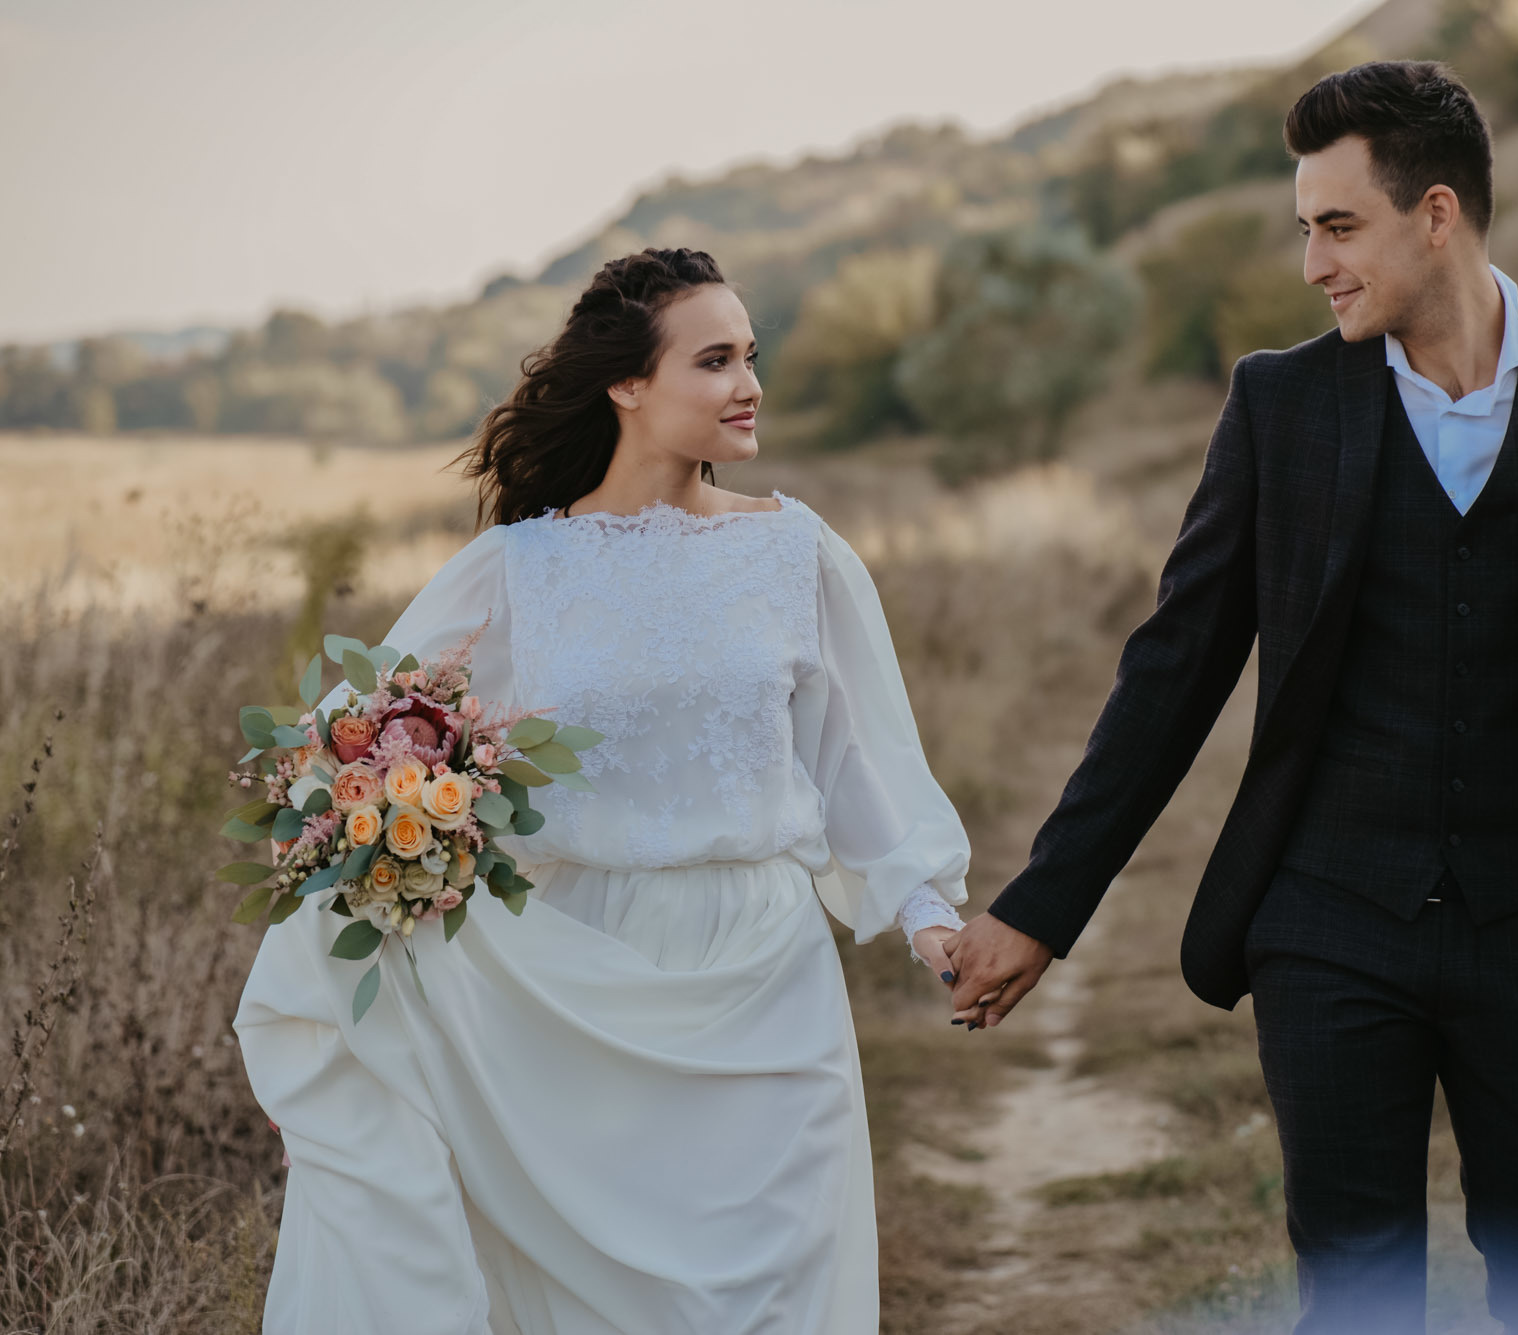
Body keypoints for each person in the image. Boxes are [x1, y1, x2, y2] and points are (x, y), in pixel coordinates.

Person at [944, 61, 1518, 1335]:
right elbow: (1173, 669)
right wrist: (1042, 907)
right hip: (1327, 922)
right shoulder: (1280, 405)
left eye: (1337, 226)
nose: (1312, 264)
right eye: (1303, 228)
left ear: (1434, 215)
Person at [233, 246, 972, 1334]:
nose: (748, 385)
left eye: (749, 356)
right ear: (627, 381)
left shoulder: (795, 552)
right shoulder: (518, 570)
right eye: (713, 361)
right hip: (576, 979)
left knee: (779, 1295)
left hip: (769, 974)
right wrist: (358, 963)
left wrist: (925, 912)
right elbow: (351, 756)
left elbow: (852, 761)